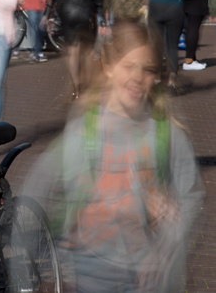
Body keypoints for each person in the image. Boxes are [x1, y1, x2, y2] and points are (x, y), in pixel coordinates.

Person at [21, 19, 203, 293]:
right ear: (108, 66)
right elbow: (37, 189)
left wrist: (165, 249)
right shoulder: (85, 129)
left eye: (147, 69)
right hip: (86, 274)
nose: (137, 77)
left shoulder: (165, 133)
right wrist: (41, 268)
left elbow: (191, 196)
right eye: (128, 66)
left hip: (144, 278)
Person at [48, 0, 102, 97]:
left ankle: (76, 88)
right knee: (88, 51)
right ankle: (87, 87)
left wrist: (49, 13)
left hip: (68, 11)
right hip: (86, 12)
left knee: (73, 51)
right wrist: (102, 17)